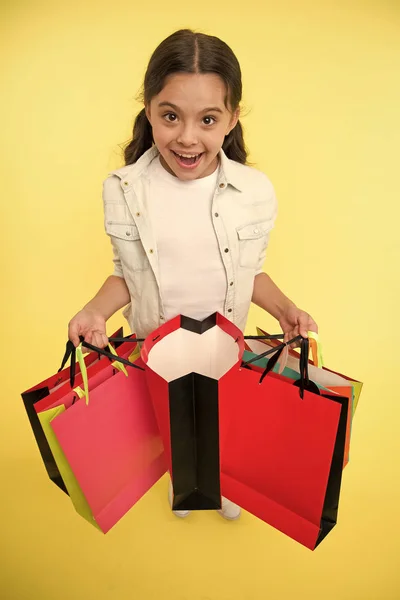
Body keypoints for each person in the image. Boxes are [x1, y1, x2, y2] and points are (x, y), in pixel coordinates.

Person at [68, 29, 318, 521]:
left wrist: (287, 310)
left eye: (208, 119)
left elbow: (252, 272)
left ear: (231, 119)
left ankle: (223, 481)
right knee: (173, 424)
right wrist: (93, 310)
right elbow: (126, 273)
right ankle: (185, 481)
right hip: (157, 349)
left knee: (225, 426)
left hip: (227, 345)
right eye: (170, 116)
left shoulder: (254, 192)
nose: (187, 137)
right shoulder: (125, 190)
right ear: (149, 110)